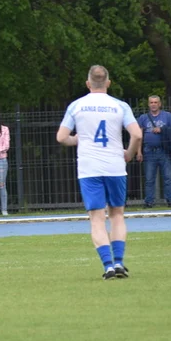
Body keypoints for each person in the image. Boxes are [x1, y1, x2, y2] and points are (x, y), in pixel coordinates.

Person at [56, 65, 142, 280]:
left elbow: (61, 137)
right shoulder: (119, 106)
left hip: (89, 168)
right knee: (117, 214)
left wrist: (77, 139)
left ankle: (108, 266)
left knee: (96, 218)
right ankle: (120, 261)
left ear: (88, 84)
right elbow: (137, 134)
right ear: (108, 83)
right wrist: (129, 153)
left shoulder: (77, 106)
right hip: (115, 166)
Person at [135, 95, 171, 208]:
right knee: (149, 179)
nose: (153, 104)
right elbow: (139, 136)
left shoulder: (167, 116)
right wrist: (139, 152)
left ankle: (170, 200)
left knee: (168, 178)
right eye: (151, 102)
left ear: (160, 104)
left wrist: (162, 129)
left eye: (155, 102)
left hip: (164, 151)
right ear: (148, 104)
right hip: (149, 151)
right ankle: (149, 201)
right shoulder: (143, 118)